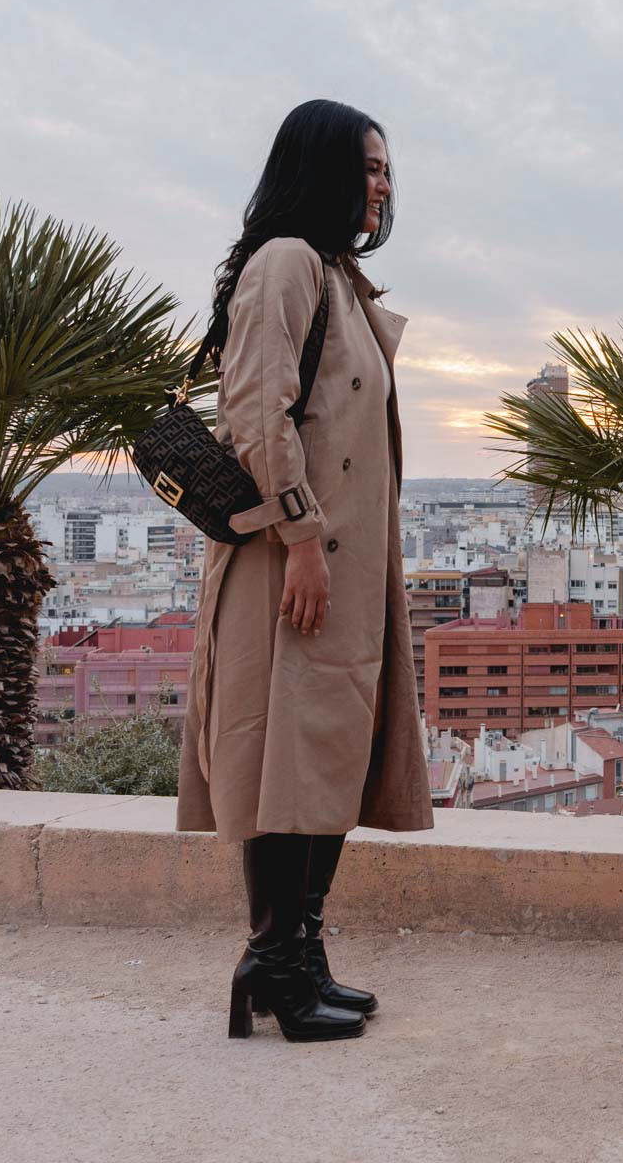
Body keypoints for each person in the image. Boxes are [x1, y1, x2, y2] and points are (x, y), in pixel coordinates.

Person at [177, 99, 432, 1043]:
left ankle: (297, 952)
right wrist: (303, 541)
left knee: (326, 755)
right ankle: (277, 966)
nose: (382, 183)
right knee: (286, 758)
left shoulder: (335, 276)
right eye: (366, 166)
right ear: (319, 168)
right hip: (297, 566)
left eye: (386, 168)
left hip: (338, 567)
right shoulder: (287, 262)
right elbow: (256, 410)